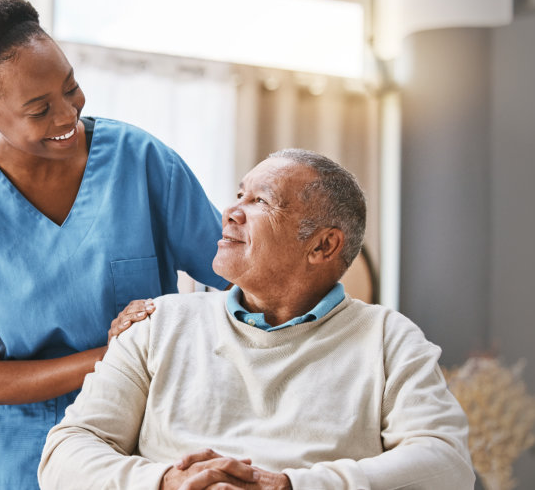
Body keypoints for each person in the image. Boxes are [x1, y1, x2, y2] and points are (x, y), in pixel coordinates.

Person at [0, 0, 231, 490]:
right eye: (39, 109)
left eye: (71, 87)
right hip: (21, 463)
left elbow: (241, 278)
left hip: (141, 453)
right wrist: (116, 352)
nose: (67, 112)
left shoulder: (142, 162)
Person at [39, 149, 474, 490]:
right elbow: (64, 454)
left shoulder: (387, 339)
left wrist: (289, 486)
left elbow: (446, 465)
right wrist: (166, 482)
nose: (231, 211)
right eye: (240, 194)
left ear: (323, 246)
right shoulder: (158, 323)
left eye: (261, 200)